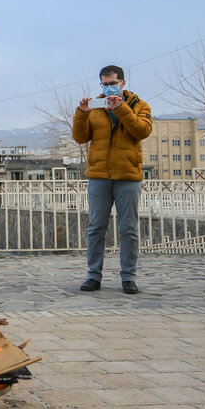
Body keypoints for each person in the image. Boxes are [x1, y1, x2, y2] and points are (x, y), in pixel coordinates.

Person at [72, 65, 152, 294]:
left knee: (129, 228)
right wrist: (82, 112)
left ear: (123, 83)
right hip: (99, 175)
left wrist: (122, 109)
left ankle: (128, 277)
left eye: (112, 83)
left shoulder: (139, 105)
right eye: (104, 84)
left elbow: (142, 131)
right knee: (96, 227)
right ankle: (93, 276)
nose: (108, 88)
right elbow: (80, 137)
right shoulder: (95, 107)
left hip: (128, 175)